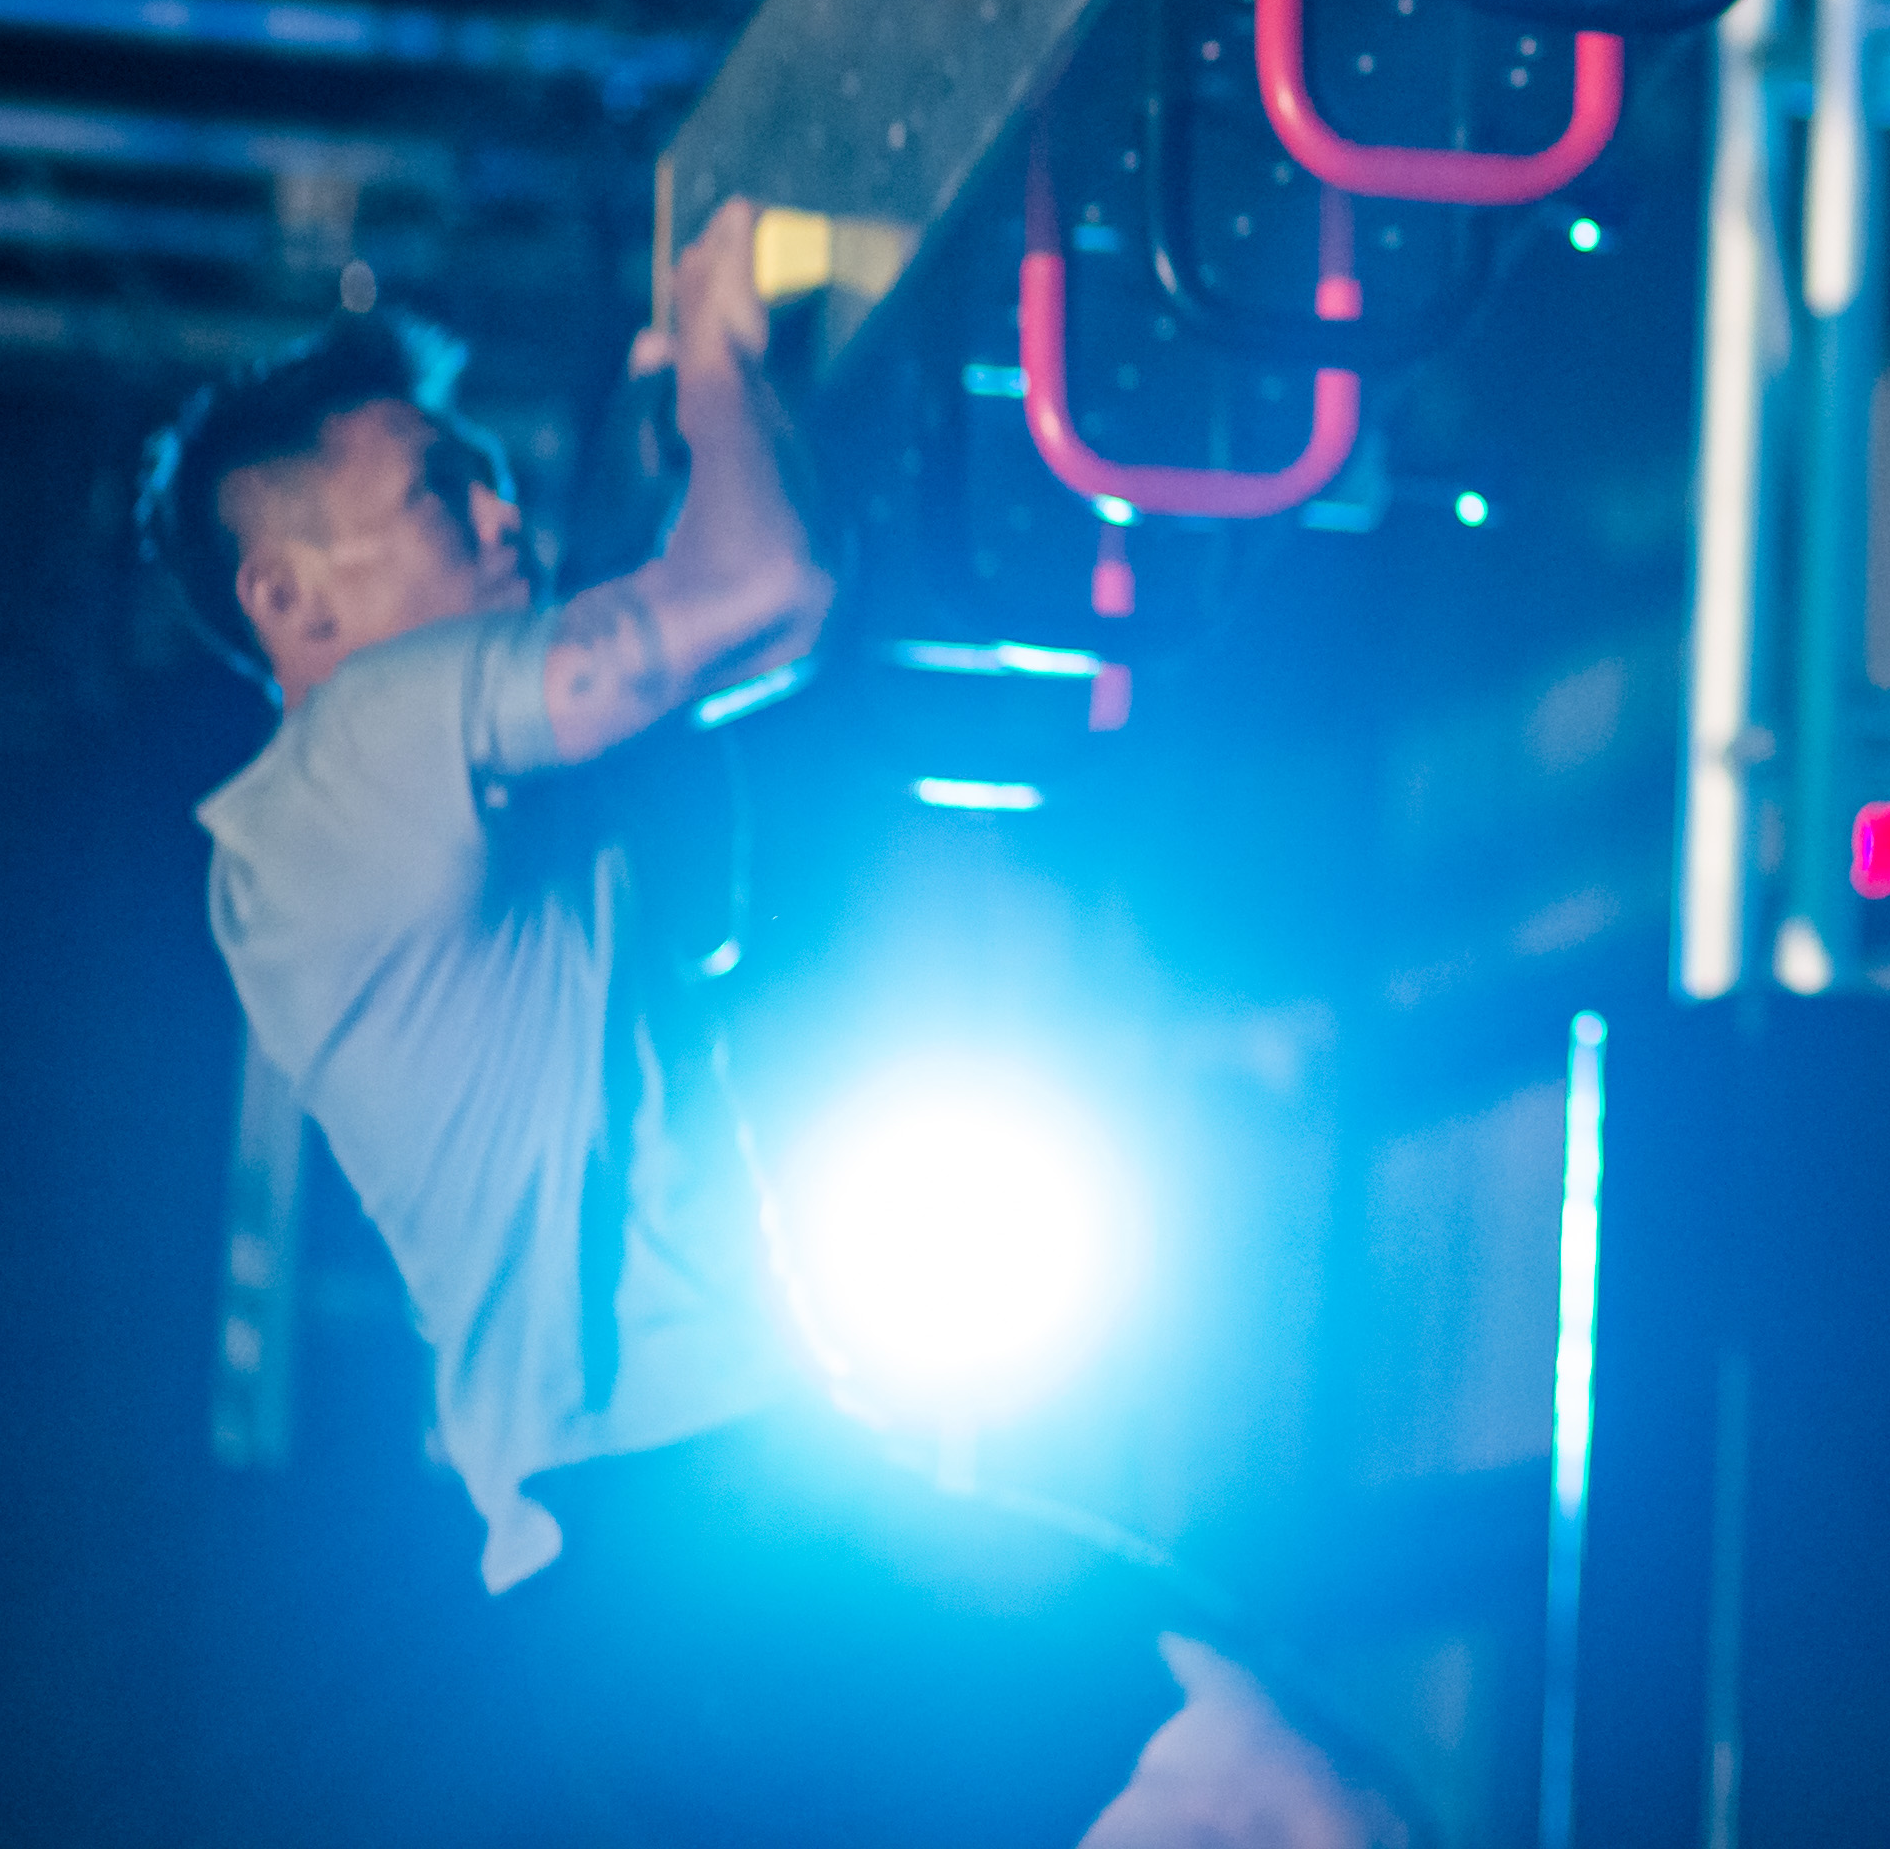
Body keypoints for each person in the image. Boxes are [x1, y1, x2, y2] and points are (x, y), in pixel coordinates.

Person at [145, 204, 1398, 1849]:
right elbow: (763, 584)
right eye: (434, 492)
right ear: (290, 599)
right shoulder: (360, 749)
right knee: (1279, 1796)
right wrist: (719, 348)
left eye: (481, 468)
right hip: (681, 1528)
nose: (496, 508)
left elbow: (765, 621)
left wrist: (706, 422)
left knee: (1244, 1791)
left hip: (684, 1544)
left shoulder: (442, 806)